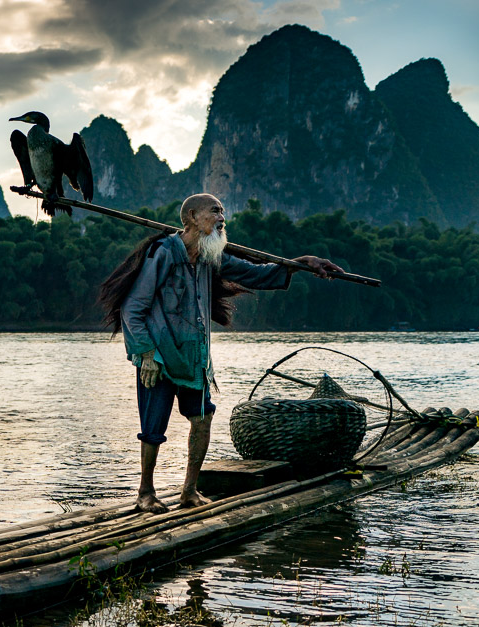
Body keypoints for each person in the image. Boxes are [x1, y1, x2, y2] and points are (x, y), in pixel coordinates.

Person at [100, 193, 343, 513]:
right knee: (153, 426)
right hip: (159, 357)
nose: (221, 217)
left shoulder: (210, 256)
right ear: (190, 218)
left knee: (203, 418)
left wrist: (302, 264)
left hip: (195, 358)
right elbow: (133, 307)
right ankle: (145, 493)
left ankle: (189, 491)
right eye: (214, 211)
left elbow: (256, 273)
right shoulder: (162, 253)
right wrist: (145, 353)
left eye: (223, 211)